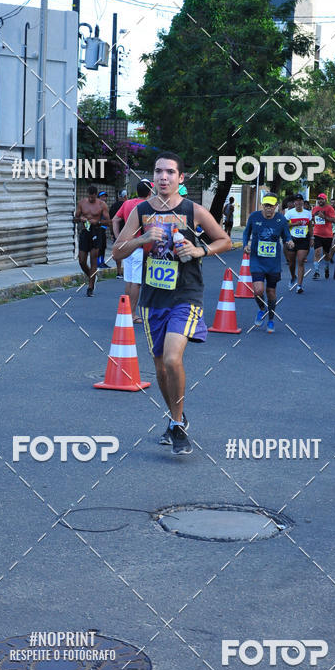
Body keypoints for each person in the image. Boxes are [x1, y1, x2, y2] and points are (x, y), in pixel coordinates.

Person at [113, 151, 231, 454]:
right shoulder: (140, 211)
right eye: (158, 172)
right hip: (153, 299)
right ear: (153, 177)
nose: (163, 177)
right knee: (161, 370)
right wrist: (141, 239)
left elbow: (224, 240)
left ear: (181, 178)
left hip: (186, 295)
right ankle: (176, 417)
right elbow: (117, 252)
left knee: (171, 359)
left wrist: (198, 251)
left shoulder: (193, 210)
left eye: (169, 172)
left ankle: (177, 426)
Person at [243, 192, 294, 332]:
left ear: (276, 206)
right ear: (262, 206)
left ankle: (271, 319)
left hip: (273, 263)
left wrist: (289, 242)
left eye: (272, 206)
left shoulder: (282, 220)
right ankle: (262, 309)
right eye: (266, 206)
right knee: (258, 290)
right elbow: (246, 232)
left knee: (271, 292)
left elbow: (286, 236)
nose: (269, 209)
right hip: (257, 260)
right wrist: (245, 245)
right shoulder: (254, 217)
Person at [113, 179, 153, 323]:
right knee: (136, 282)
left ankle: (127, 311)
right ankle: (132, 314)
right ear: (149, 192)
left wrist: (119, 239)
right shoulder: (148, 206)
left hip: (126, 247)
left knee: (129, 281)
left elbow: (115, 220)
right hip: (139, 247)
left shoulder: (127, 203)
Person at [73, 185, 110, 296]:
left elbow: (108, 221)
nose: (91, 199)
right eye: (90, 197)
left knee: (93, 259)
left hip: (96, 232)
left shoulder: (102, 205)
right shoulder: (82, 203)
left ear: (96, 195)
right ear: (88, 194)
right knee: (82, 260)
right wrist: (81, 219)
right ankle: (91, 276)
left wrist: (97, 222)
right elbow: (74, 219)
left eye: (93, 197)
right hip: (85, 232)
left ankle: (90, 287)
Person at [284, 193, 312, 293]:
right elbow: (284, 225)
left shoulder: (307, 213)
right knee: (291, 263)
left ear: (303, 202)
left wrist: (312, 238)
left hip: (303, 239)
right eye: (297, 200)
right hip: (292, 240)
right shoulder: (289, 213)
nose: (298, 202)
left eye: (300, 201)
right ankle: (293, 277)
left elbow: (310, 225)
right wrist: (295, 224)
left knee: (300, 261)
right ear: (294, 202)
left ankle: (299, 286)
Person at [311, 193, 335, 279]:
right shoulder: (315, 209)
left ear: (325, 200)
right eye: (319, 199)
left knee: (326, 254)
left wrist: (324, 217)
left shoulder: (330, 208)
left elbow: (334, 220)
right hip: (317, 233)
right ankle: (316, 271)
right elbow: (313, 219)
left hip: (327, 235)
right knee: (317, 252)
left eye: (322, 199)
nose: (320, 201)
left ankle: (326, 267)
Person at [109, 189, 128, 279]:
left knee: (118, 251)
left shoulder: (113, 206)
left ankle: (118, 271)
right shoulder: (127, 205)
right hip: (127, 231)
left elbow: (111, 221)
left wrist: (112, 233)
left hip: (116, 231)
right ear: (125, 197)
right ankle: (127, 271)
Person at [96, 190, 111, 268]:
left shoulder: (104, 205)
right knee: (99, 246)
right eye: (102, 196)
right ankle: (97, 262)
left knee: (103, 246)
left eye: (105, 196)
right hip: (98, 228)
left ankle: (102, 261)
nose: (104, 198)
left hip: (103, 228)